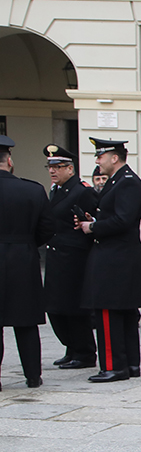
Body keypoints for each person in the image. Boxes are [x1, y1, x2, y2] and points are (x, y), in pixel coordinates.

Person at [78, 138, 141, 383]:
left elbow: (124, 220)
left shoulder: (126, 182)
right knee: (123, 312)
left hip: (116, 257)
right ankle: (129, 363)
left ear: (114, 157)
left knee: (108, 311)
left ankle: (113, 365)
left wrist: (93, 227)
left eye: (100, 156)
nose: (98, 161)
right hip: (118, 255)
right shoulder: (119, 181)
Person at [0, 135, 53, 390]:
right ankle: (33, 376)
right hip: (23, 258)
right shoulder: (32, 190)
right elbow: (47, 228)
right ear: (9, 161)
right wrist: (27, 243)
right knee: (26, 321)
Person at [43, 144, 100, 371]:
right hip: (57, 255)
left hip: (75, 257)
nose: (52, 171)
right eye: (50, 167)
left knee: (74, 308)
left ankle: (85, 351)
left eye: (57, 167)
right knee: (56, 308)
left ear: (70, 169)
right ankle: (71, 347)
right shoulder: (56, 191)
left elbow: (90, 221)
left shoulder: (83, 190)